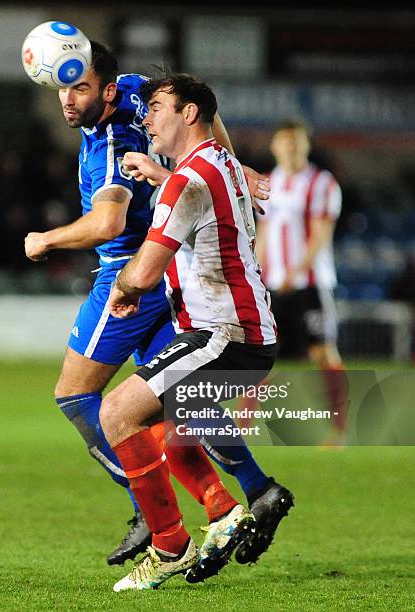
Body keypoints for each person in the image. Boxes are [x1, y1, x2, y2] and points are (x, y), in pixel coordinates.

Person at [24, 42, 291, 568]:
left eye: (78, 88)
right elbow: (200, 111)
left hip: (130, 272)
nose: (68, 101)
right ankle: (239, 499)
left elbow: (109, 225)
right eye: (63, 88)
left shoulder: (109, 151)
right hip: (172, 273)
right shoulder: (131, 91)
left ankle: (152, 513)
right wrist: (234, 166)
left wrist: (45, 239)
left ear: (103, 88)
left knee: (77, 397)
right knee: (175, 405)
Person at [100, 73, 278, 591]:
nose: (146, 118)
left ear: (190, 113)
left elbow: (146, 270)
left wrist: (125, 287)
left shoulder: (188, 180)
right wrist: (159, 171)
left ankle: (168, 544)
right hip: (239, 331)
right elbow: (198, 185)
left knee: (116, 412)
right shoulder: (221, 163)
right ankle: (237, 507)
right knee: (167, 427)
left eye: (156, 107)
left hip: (224, 335)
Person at [252, 120, 348, 443]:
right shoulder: (267, 183)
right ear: (274, 147)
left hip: (310, 283)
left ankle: (339, 430)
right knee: (259, 355)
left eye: (296, 143)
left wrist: (295, 272)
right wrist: (254, 270)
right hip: (274, 285)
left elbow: (321, 234)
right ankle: (242, 426)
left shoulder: (322, 183)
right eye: (285, 142)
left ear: (306, 146)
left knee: (322, 352)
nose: (290, 148)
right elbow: (263, 233)